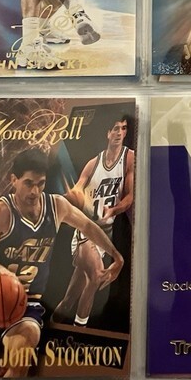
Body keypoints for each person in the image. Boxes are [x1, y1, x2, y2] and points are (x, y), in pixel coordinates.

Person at [0, 149, 123, 380]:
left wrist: (116, 256)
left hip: (29, 303)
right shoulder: (2, 213)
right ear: (14, 180)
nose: (35, 191)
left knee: (24, 351)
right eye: (28, 183)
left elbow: (87, 226)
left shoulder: (56, 206)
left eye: (40, 184)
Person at [52, 117, 134, 327]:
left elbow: (130, 196)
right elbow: (77, 189)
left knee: (69, 300)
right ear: (108, 133)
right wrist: (70, 196)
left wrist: (114, 209)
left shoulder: (129, 158)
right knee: (97, 275)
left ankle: (51, 327)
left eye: (123, 129)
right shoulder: (93, 164)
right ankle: (80, 331)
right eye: (115, 128)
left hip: (106, 234)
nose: (119, 133)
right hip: (87, 231)